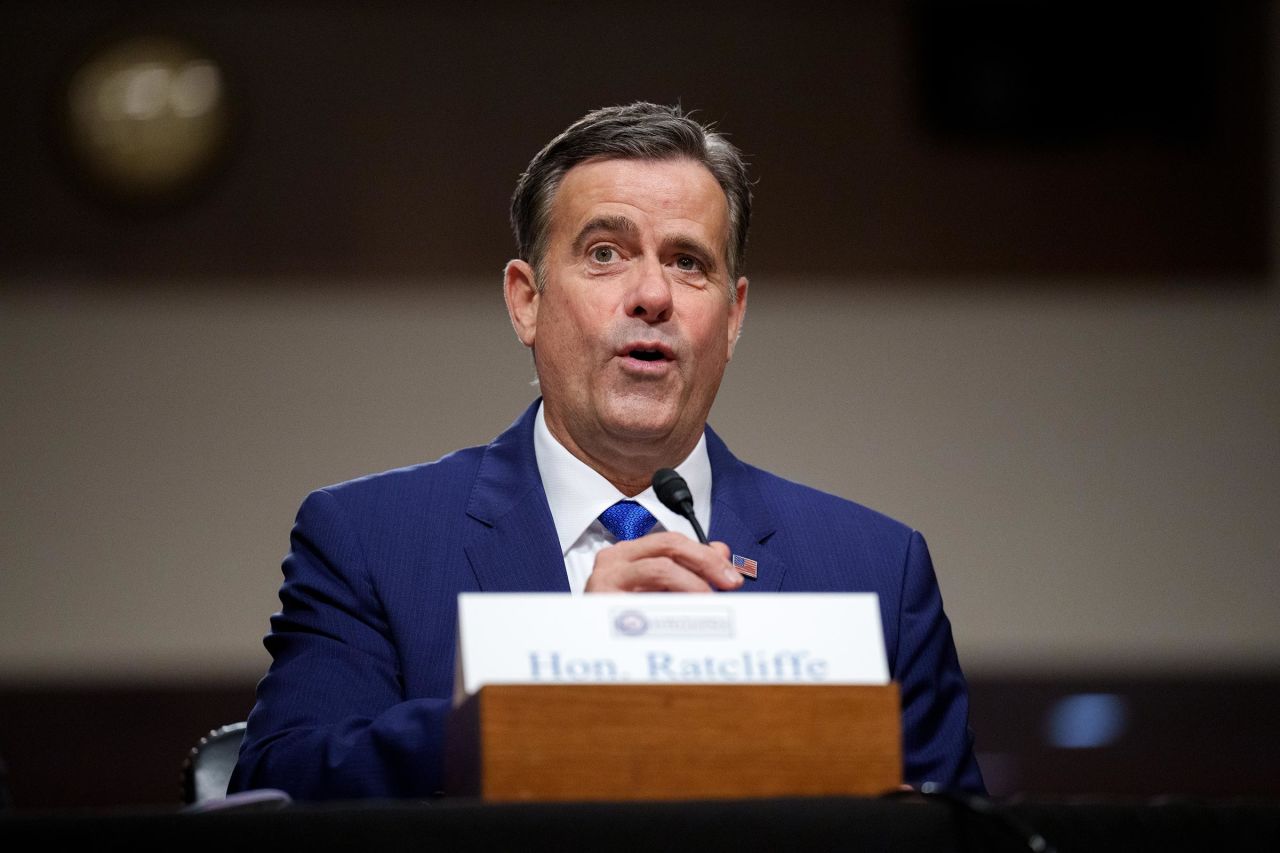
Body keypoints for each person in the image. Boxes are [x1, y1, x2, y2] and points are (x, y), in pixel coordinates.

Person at [230, 103, 985, 799]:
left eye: (689, 262)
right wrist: (557, 692)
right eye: (604, 253)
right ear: (527, 300)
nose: (653, 293)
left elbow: (964, 835)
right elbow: (280, 789)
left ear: (732, 317)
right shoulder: (370, 538)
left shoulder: (876, 571)